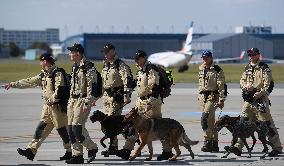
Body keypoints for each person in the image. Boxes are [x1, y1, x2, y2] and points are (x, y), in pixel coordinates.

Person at [2, 53, 72, 161]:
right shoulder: (43, 75)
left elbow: (60, 90)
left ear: (45, 61)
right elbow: (30, 81)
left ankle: (70, 152)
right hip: (48, 108)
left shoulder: (57, 73)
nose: (40, 63)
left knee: (63, 131)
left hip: (58, 108)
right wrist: (13, 84)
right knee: (40, 129)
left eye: (41, 61)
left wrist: (51, 100)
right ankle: (31, 150)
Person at [116, 50, 173, 160]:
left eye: (138, 59)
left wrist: (150, 103)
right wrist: (126, 93)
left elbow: (155, 86)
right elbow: (135, 84)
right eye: (135, 59)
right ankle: (127, 150)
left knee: (158, 127)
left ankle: (167, 151)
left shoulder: (151, 69)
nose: (136, 61)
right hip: (140, 102)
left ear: (144, 58)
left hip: (151, 103)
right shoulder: (140, 71)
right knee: (134, 125)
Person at [228, 48, 282, 157]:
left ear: (258, 55)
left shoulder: (264, 68)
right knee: (242, 123)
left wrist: (261, 93)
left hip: (260, 100)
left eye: (253, 54)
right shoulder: (247, 67)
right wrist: (245, 86)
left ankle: (277, 147)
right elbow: (242, 81)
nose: (251, 56)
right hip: (248, 101)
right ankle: (238, 147)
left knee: (267, 124)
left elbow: (269, 84)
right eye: (249, 55)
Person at [65, 43, 99, 164]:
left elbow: (92, 86)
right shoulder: (76, 66)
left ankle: (92, 148)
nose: (70, 54)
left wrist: (87, 103)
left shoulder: (88, 67)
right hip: (72, 101)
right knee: (70, 129)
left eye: (71, 52)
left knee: (77, 129)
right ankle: (77, 155)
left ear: (78, 53)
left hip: (82, 101)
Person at [100, 43, 134, 156]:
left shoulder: (120, 65)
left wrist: (127, 95)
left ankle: (114, 146)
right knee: (107, 123)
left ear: (113, 51)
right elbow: (103, 83)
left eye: (107, 52)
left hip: (116, 97)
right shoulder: (105, 65)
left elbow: (127, 80)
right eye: (104, 53)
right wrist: (97, 97)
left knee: (111, 122)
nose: (105, 55)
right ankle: (113, 146)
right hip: (106, 97)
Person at [198, 50, 227, 152]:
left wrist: (222, 99)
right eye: (203, 58)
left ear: (211, 58)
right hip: (202, 98)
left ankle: (207, 141)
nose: (204, 59)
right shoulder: (201, 68)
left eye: (206, 57)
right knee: (210, 122)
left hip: (212, 97)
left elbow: (222, 86)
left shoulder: (217, 70)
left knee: (204, 119)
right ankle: (214, 144)